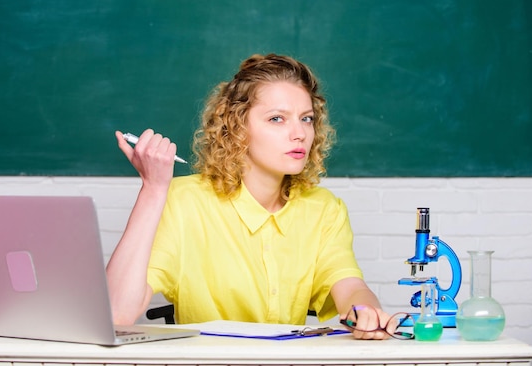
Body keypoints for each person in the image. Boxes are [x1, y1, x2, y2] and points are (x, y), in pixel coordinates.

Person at [107, 53, 396, 340]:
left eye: (306, 119)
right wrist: (153, 188)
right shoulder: (183, 201)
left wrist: (365, 310)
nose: (299, 134)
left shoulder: (324, 209)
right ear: (237, 127)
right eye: (277, 119)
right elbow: (117, 314)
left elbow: (349, 286)